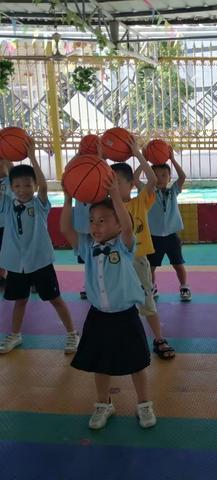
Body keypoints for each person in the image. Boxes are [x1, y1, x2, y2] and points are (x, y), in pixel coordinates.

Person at [60, 175, 157, 430]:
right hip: (98, 315)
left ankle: (144, 404)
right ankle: (104, 404)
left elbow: (127, 225)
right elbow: (65, 230)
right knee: (99, 364)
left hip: (126, 315)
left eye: (103, 221)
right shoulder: (87, 247)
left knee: (137, 364)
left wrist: (115, 194)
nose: (96, 226)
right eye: (92, 221)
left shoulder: (124, 245)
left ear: (116, 224)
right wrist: (68, 197)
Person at [0, 139, 78, 354]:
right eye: (17, 186)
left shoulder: (39, 204)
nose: (22, 190)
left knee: (55, 299)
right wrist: (6, 157)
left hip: (39, 261)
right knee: (20, 300)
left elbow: (44, 185)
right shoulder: (7, 203)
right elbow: (6, 179)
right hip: (17, 263)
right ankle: (15, 334)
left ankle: (72, 334)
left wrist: (32, 155)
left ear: (34, 186)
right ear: (11, 188)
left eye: (27, 185)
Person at [111, 140, 175, 359]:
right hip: (116, 262)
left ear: (130, 185)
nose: (112, 187)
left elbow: (153, 179)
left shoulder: (140, 203)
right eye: (109, 182)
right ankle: (120, 341)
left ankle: (159, 338)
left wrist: (139, 155)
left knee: (147, 302)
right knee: (118, 305)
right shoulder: (107, 208)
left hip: (138, 260)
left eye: (117, 182)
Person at [137, 149, 191, 302]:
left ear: (169, 178)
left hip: (172, 237)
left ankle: (184, 286)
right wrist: (145, 161)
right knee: (151, 266)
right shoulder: (147, 192)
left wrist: (172, 159)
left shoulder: (173, 191)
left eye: (163, 176)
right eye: (155, 176)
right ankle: (152, 287)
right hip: (153, 237)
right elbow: (135, 179)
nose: (159, 179)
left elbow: (182, 176)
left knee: (178, 264)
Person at [0, 157, 13, 289]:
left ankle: (29, 279)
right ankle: (1, 277)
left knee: (12, 252)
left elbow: (12, 170)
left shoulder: (10, 181)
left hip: (9, 225)